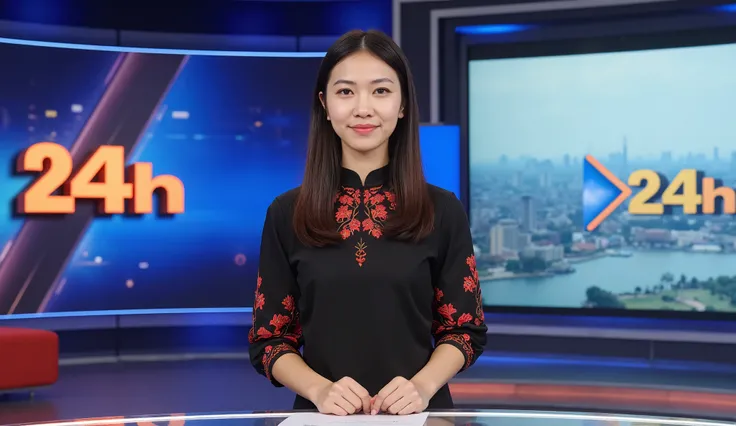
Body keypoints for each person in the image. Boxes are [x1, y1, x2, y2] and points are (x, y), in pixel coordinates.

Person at [248, 29, 487, 416]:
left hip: (421, 415)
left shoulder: (442, 209)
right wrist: (321, 389)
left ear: (403, 104)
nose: (363, 108)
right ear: (324, 105)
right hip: (321, 418)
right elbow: (269, 341)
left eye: (380, 91)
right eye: (345, 92)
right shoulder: (286, 212)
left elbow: (464, 330)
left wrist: (421, 386)